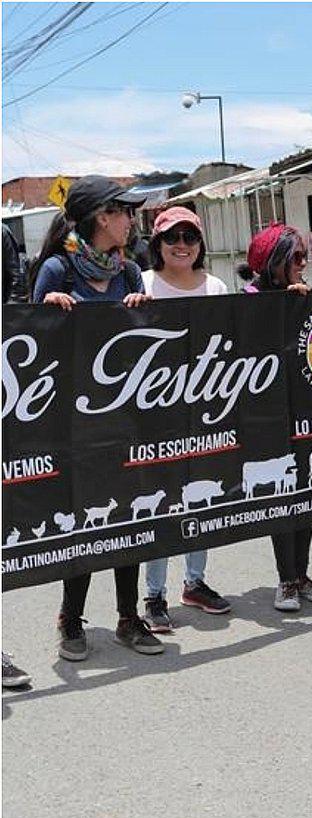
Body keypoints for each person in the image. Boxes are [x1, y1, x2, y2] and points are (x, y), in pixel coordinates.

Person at [30, 174, 161, 660]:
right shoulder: (58, 269)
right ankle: (71, 617)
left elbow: (147, 340)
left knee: (128, 514)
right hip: (74, 420)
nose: (132, 219)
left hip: (126, 416)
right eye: (125, 211)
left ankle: (129, 616)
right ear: (103, 217)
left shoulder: (129, 272)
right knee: (84, 519)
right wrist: (48, 310)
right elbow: (29, 344)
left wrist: (142, 311)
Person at [237, 222, 312, 612]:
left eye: (305, 256)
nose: (304, 264)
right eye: (296, 258)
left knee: (307, 491)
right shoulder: (249, 298)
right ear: (274, 263)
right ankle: (285, 578)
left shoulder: (302, 294)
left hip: (305, 410)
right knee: (282, 496)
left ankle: (302, 573)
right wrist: (285, 304)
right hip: (265, 415)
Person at [138, 207, 233, 632]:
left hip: (205, 412)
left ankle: (194, 582)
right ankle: (152, 595)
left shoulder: (215, 286)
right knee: (159, 505)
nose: (181, 245)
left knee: (202, 498)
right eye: (172, 237)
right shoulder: (141, 284)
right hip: (154, 416)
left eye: (189, 237)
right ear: (157, 243)